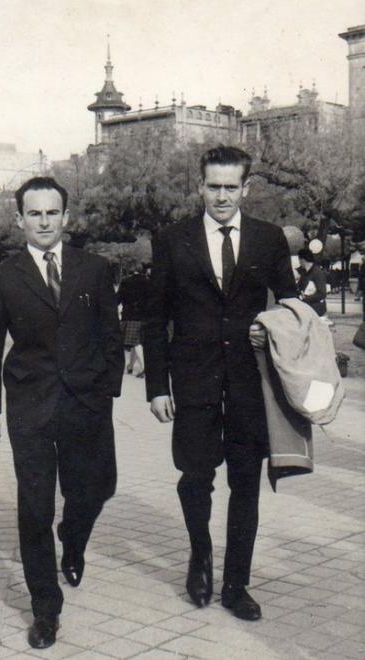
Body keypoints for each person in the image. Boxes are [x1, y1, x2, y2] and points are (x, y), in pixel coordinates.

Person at [144, 146, 297, 620]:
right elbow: (155, 318)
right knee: (195, 476)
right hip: (193, 379)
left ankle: (236, 584)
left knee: (246, 482)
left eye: (231, 187)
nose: (222, 196)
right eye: (214, 187)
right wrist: (157, 386)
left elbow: (291, 306)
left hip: (251, 382)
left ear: (246, 188)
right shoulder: (173, 239)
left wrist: (271, 327)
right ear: (200, 187)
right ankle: (200, 555)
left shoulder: (269, 239)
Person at [0, 177, 124, 649]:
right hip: (30, 406)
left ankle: (73, 540)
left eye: (52, 213)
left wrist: (107, 390)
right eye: (34, 213)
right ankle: (45, 609)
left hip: (86, 404)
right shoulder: (2, 277)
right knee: (35, 506)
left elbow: (111, 334)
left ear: (66, 217)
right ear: (19, 219)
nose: (44, 222)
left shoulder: (94, 268)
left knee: (98, 487)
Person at [116, 267, 148, 377]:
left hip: (130, 316)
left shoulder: (126, 282)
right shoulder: (148, 282)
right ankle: (130, 366)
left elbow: (118, 298)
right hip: (145, 317)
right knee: (137, 341)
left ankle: (144, 367)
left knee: (135, 342)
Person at [297, 248, 328, 317]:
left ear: (303, 260)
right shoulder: (304, 273)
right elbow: (299, 287)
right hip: (307, 306)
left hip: (316, 309)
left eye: (299, 259)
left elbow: (322, 294)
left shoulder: (317, 273)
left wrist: (305, 298)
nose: (299, 262)